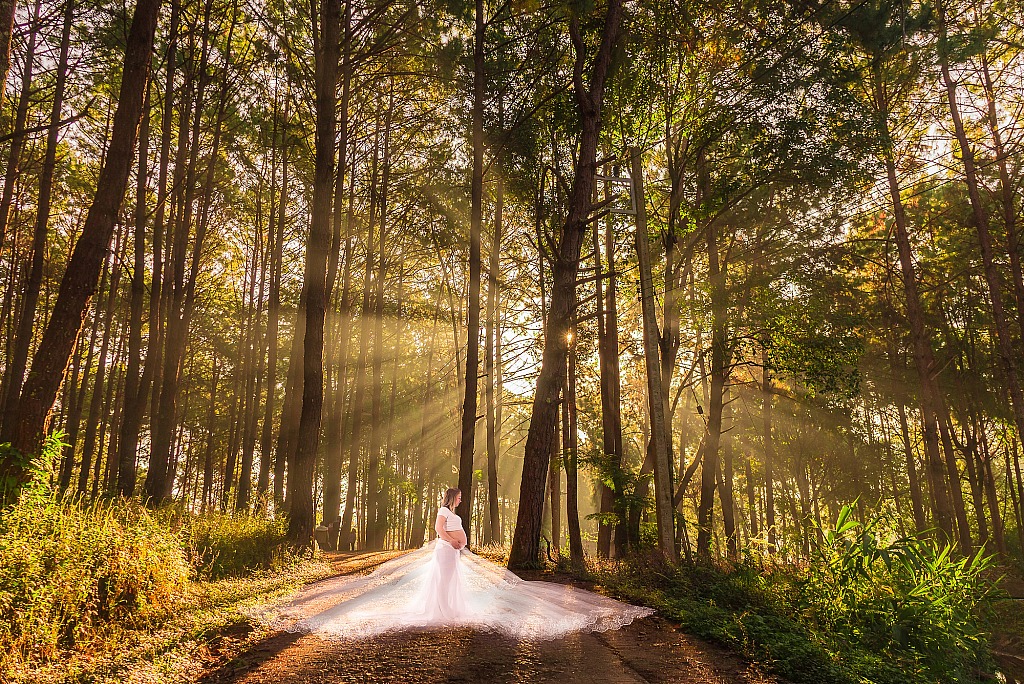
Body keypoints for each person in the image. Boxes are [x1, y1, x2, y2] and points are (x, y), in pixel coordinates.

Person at [250, 486, 653, 641]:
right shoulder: (443, 512)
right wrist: (456, 542)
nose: (460, 502)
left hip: (453, 553)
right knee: (442, 583)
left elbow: (452, 532)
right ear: (452, 498)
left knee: (452, 586)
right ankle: (439, 612)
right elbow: (440, 532)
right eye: (458, 499)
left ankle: (448, 610)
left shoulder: (453, 510)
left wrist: (461, 543)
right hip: (445, 552)